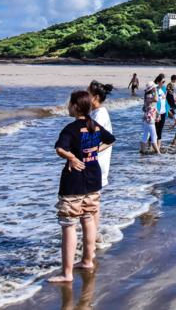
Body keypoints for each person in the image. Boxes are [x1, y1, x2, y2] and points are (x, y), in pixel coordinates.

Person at [48, 90, 116, 284]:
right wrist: (94, 150)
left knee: (69, 225)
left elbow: (60, 149)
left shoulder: (70, 129)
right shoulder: (94, 125)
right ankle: (87, 260)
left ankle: (67, 273)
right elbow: (111, 139)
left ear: (76, 107)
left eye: (70, 104)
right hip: (93, 179)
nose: (68, 107)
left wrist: (71, 157)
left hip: (74, 182)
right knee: (87, 218)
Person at [87, 81, 114, 231]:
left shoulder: (99, 115)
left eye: (87, 93)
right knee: (93, 202)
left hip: (96, 165)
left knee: (92, 202)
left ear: (95, 97)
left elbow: (106, 140)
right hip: (97, 164)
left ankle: (93, 238)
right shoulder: (98, 113)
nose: (85, 96)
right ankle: (93, 236)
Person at [140, 82, 160, 154]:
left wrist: (157, 115)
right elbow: (156, 100)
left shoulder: (147, 95)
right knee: (154, 137)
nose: (155, 88)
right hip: (150, 119)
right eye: (154, 87)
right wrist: (155, 91)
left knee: (145, 135)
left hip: (147, 118)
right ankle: (158, 153)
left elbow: (153, 106)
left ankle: (142, 151)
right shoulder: (149, 95)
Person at [154, 74, 169, 142]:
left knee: (160, 130)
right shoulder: (154, 89)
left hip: (163, 112)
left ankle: (158, 149)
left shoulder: (164, 88)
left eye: (164, 82)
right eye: (162, 82)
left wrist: (168, 110)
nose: (163, 83)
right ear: (157, 81)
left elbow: (165, 100)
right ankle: (151, 146)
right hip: (157, 112)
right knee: (154, 130)